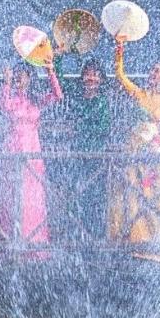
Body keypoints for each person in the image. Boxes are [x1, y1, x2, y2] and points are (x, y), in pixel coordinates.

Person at [110, 39, 160, 243]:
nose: (155, 74)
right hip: (134, 150)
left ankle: (155, 238)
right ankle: (132, 238)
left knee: (154, 194)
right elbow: (120, 75)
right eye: (153, 71)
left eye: (159, 71)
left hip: (154, 153)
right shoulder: (139, 94)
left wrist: (157, 139)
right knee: (132, 193)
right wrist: (120, 49)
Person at [0, 60, 62, 243]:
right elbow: (4, 105)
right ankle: (11, 241)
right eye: (17, 73)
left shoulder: (36, 99)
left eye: (23, 74)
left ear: (30, 78)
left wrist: (50, 71)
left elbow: (57, 95)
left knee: (31, 197)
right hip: (13, 149)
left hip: (32, 149)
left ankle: (34, 241)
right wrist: (7, 82)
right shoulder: (10, 97)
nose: (19, 77)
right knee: (13, 195)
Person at [55, 59, 112, 241]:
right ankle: (75, 237)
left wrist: (79, 126)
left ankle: (94, 238)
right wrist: (56, 59)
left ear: (101, 79)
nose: (91, 78)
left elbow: (103, 128)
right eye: (88, 73)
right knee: (74, 196)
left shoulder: (102, 102)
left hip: (95, 158)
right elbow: (60, 83)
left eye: (95, 74)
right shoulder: (76, 96)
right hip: (77, 155)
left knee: (94, 199)